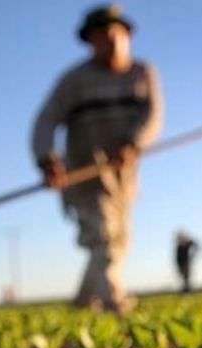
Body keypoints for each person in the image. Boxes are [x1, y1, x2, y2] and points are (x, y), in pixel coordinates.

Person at [31, 4, 163, 315]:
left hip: (123, 177)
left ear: (127, 36)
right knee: (102, 235)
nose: (110, 41)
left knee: (118, 240)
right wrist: (47, 159)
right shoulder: (74, 81)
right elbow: (45, 121)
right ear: (90, 41)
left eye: (116, 34)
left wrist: (133, 143)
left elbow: (152, 115)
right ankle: (114, 303)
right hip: (84, 173)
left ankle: (82, 302)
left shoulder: (142, 74)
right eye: (102, 36)